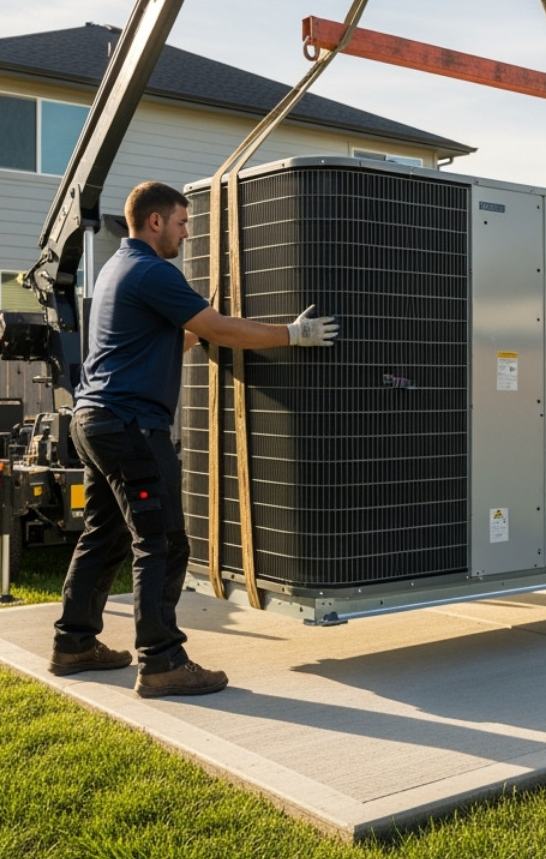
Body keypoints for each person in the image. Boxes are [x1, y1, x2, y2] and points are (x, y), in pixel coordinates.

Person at [49, 180, 339, 696]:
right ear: (155, 221)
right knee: (161, 542)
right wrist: (291, 335)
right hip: (131, 426)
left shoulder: (118, 268)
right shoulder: (151, 269)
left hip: (93, 420)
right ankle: (161, 662)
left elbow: (169, 339)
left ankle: (73, 644)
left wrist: (206, 328)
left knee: (106, 534)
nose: (187, 233)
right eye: (182, 223)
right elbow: (219, 328)